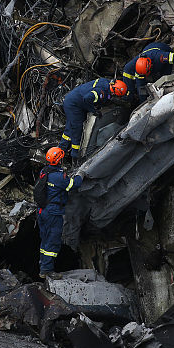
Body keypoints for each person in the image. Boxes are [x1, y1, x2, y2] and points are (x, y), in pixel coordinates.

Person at [37, 147, 82, 278]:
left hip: (42, 211)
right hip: (53, 213)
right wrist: (80, 175)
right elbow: (72, 185)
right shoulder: (59, 177)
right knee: (53, 241)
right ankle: (47, 271)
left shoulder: (44, 171)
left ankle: (43, 267)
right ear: (59, 159)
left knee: (45, 240)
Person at [59, 78, 127, 160]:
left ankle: (62, 148)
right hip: (74, 105)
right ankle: (75, 154)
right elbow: (87, 98)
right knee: (77, 128)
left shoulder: (106, 82)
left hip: (74, 99)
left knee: (70, 126)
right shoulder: (100, 92)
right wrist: (94, 110)